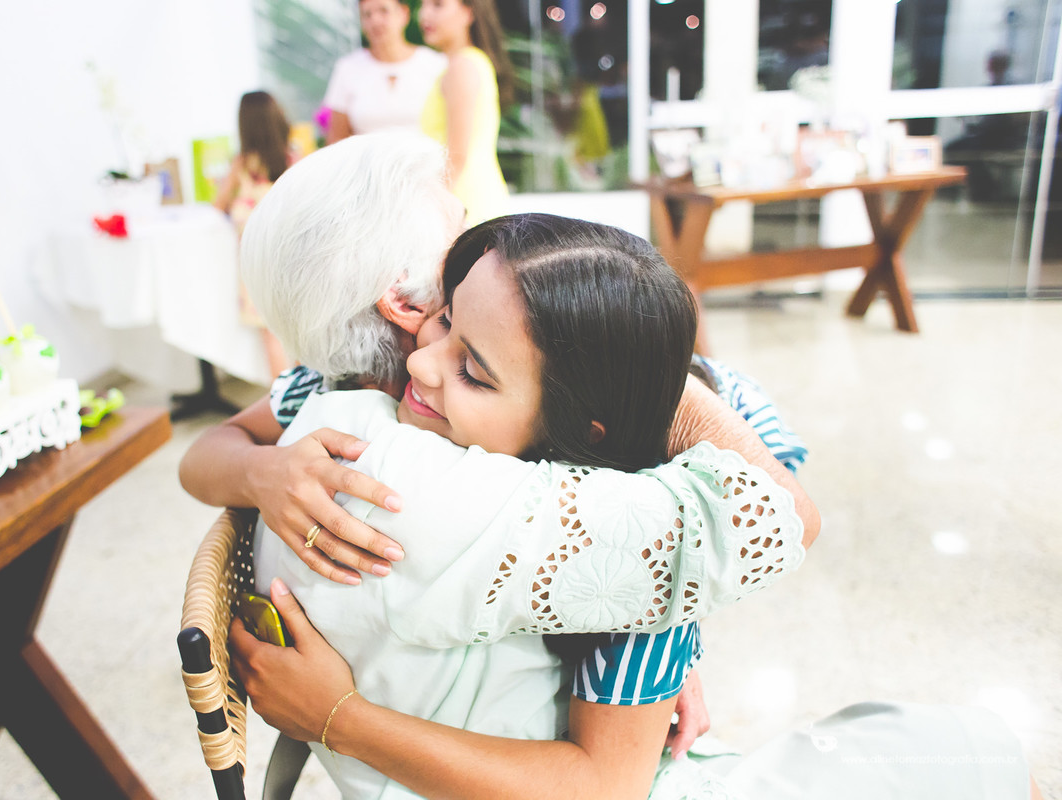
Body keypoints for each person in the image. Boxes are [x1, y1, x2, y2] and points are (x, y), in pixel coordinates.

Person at [229, 211, 1036, 799]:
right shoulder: (383, 414)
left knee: (944, 753)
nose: (424, 368)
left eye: (475, 370)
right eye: (443, 319)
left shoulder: (620, 544)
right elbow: (218, 451)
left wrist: (342, 719)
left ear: (581, 425)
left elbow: (780, 514)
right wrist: (260, 474)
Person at [178, 132, 817, 789]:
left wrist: (263, 470)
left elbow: (207, 451)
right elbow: (776, 517)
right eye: (460, 227)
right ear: (405, 299)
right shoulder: (452, 486)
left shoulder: (326, 401)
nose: (482, 239)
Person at [212, 89, 292, 380]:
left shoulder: (242, 167)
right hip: (290, 261)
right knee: (296, 336)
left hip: (257, 265)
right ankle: (303, 398)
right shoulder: (293, 162)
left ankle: (287, 404)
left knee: (272, 339)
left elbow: (218, 206)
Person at [417, 0, 512, 226]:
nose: (425, 14)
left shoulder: (463, 66)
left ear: (469, 13)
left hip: (463, 204)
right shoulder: (469, 63)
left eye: (438, 5)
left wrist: (422, 210)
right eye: (423, 5)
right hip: (469, 199)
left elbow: (456, 156)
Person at [323, 0, 447, 145]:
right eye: (367, 15)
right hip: (367, 165)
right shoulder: (347, 68)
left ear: (403, 14)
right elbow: (336, 138)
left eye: (384, 11)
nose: (375, 21)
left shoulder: (437, 64)